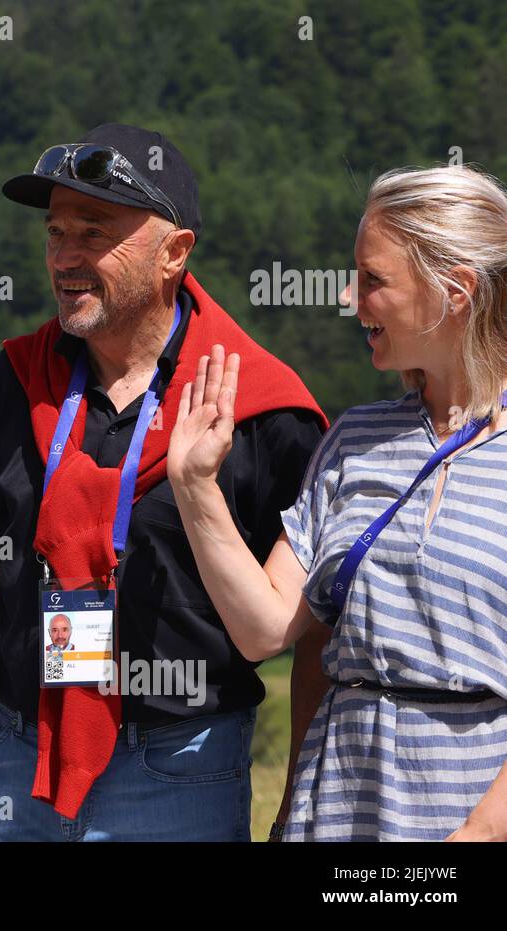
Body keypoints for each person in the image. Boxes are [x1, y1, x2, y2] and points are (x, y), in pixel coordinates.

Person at [0, 123, 329, 842]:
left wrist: (296, 810)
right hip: (10, 760)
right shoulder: (14, 382)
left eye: (92, 233)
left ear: (174, 253)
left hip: (178, 773)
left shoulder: (264, 411)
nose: (64, 257)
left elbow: (315, 634)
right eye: (55, 233)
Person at [168, 165, 507, 841]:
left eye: (374, 279)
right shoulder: (354, 438)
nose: (352, 298)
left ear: (456, 289)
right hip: (340, 810)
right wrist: (194, 486)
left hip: (467, 813)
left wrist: (476, 834)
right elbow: (265, 627)